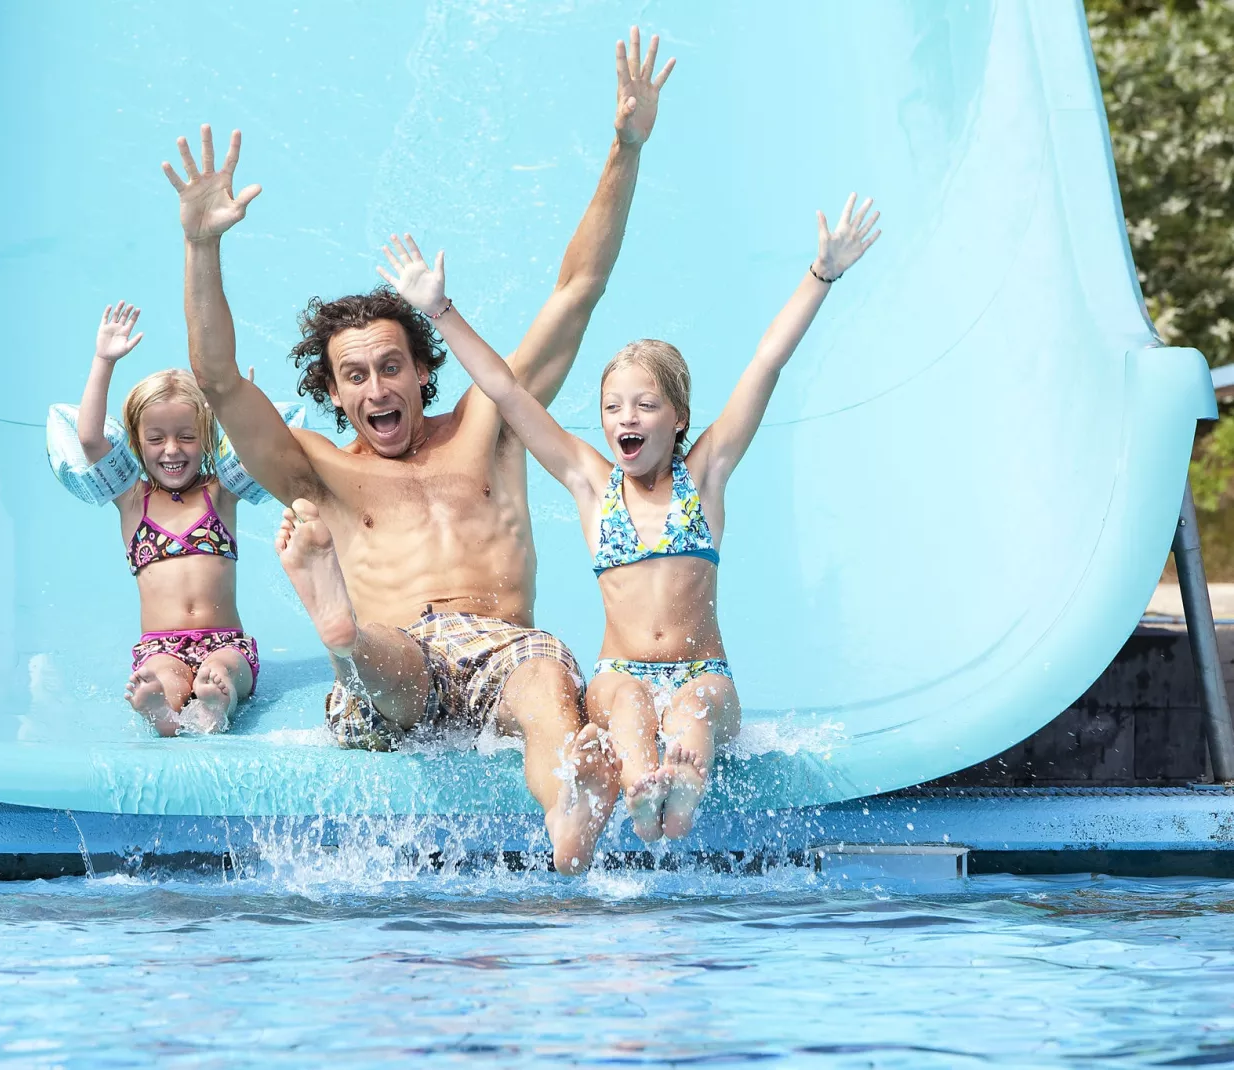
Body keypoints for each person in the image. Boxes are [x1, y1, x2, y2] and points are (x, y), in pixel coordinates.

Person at [163, 29, 675, 874]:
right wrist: (201, 244)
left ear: (423, 369)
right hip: (396, 652)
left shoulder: (492, 423)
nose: (376, 391)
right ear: (332, 392)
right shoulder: (317, 470)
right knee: (381, 661)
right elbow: (216, 379)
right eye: (355, 376)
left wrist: (625, 146)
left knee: (550, 687)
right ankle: (340, 632)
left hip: (502, 649)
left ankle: (571, 824)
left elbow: (578, 289)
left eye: (391, 367)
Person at [372, 194, 881, 841]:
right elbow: (506, 391)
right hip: (621, 674)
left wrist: (821, 276)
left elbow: (766, 364)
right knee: (630, 708)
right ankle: (644, 788)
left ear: (680, 418)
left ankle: (682, 791)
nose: (627, 418)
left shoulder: (705, 476)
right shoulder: (593, 485)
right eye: (614, 407)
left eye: (645, 404)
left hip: (704, 672)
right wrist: (439, 309)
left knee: (694, 713)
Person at [75, 302, 257, 736]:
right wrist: (104, 360)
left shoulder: (220, 494)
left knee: (225, 671)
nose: (171, 450)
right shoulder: (132, 500)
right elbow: (89, 438)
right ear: (137, 444)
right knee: (162, 677)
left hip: (225, 639)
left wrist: (242, 407)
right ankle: (163, 711)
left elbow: (256, 448)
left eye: (187, 437)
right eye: (156, 439)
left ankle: (217, 704)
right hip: (162, 645)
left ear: (206, 437)